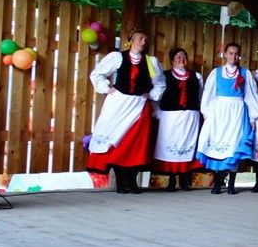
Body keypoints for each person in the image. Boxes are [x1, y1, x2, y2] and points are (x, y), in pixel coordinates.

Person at [87, 27, 166, 193]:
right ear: (131, 40)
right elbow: (97, 74)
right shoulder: (117, 57)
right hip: (118, 104)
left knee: (135, 145)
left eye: (145, 39)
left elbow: (160, 83)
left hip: (139, 106)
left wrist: (151, 95)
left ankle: (132, 182)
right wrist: (106, 88)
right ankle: (121, 183)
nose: (143, 42)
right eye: (140, 38)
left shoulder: (150, 62)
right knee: (118, 142)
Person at [196, 42, 258, 194]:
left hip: (237, 114)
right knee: (218, 145)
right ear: (225, 54)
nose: (233, 56)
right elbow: (209, 93)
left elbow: (251, 95)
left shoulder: (245, 73)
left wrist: (252, 117)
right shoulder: (217, 72)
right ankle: (218, 183)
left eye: (236, 53)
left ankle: (231, 183)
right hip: (219, 114)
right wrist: (207, 113)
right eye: (230, 53)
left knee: (234, 147)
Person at [153, 48, 204, 191]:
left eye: (184, 57)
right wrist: (157, 112)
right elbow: (156, 96)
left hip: (190, 117)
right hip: (170, 118)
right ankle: (171, 180)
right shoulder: (164, 76)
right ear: (172, 61)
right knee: (171, 146)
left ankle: (185, 180)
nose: (182, 59)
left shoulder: (196, 76)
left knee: (188, 146)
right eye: (178, 57)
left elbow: (201, 96)